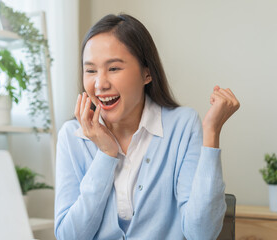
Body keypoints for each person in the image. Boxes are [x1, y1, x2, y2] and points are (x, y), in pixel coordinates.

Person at [54, 14, 240, 240]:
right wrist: (105, 156)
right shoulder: (72, 137)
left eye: (113, 68)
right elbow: (69, 236)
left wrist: (211, 133)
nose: (100, 84)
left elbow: (201, 233)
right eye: (91, 70)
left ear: (147, 73)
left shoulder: (182, 126)